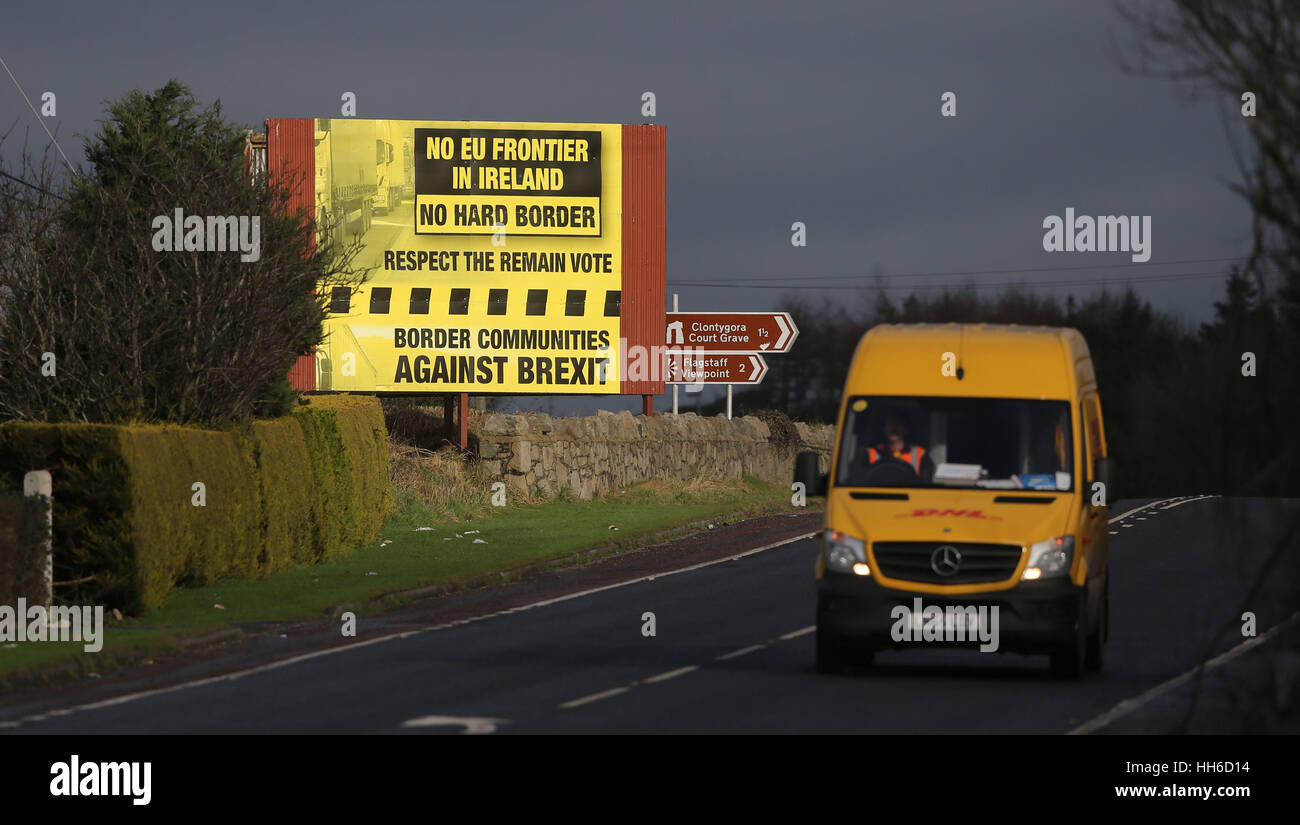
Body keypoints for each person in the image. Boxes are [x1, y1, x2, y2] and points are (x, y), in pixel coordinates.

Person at [867, 413, 934, 478]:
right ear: (884, 429)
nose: (894, 427)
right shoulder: (869, 453)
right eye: (890, 423)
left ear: (907, 429)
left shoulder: (920, 454)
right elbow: (860, 478)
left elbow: (926, 481)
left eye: (898, 424)